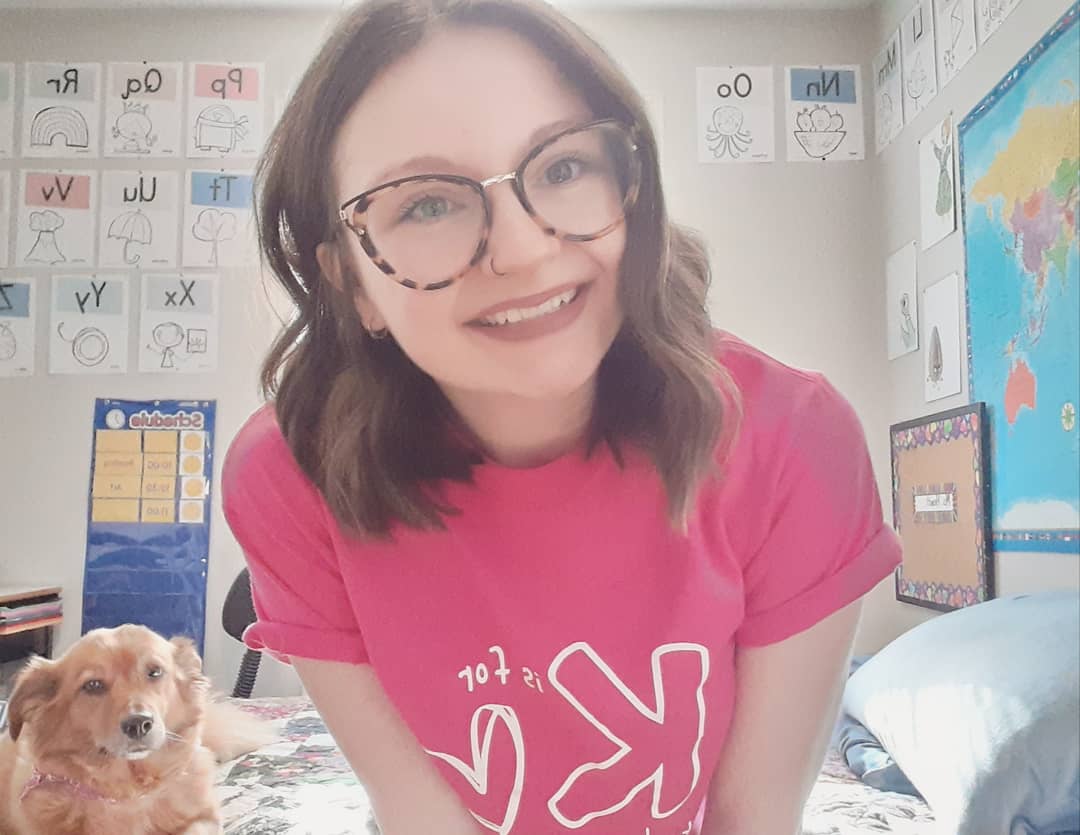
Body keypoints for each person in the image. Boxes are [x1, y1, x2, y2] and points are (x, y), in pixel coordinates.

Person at [221, 0, 902, 831]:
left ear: (630, 186)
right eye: (426, 204)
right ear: (350, 282)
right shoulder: (291, 475)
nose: (522, 250)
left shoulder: (794, 442)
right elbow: (417, 813)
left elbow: (752, 815)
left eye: (563, 165)